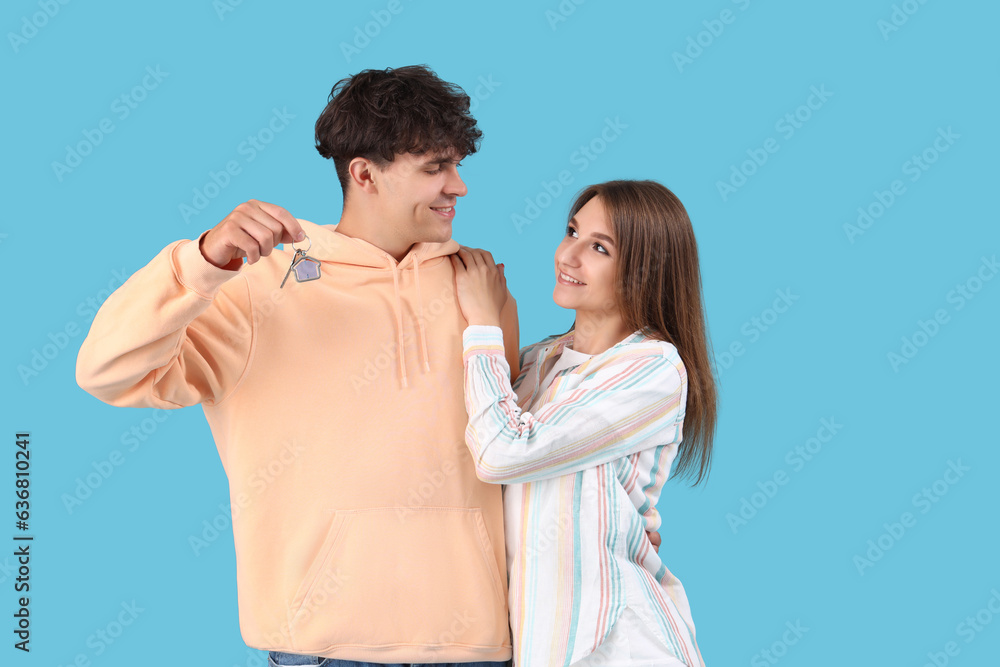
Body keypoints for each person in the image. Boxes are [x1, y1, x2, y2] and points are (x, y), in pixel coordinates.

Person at [76, 65, 522, 666]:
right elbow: (108, 371)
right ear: (364, 173)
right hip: (321, 648)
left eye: (458, 164)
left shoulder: (480, 287)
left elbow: (522, 450)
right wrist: (201, 262)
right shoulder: (257, 284)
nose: (459, 186)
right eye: (434, 167)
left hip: (479, 646)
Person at [451, 180, 717, 667]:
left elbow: (502, 453)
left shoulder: (652, 368)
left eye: (599, 247)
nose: (567, 255)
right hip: (541, 646)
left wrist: (483, 325)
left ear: (646, 268)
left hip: (619, 646)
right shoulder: (537, 362)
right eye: (572, 231)